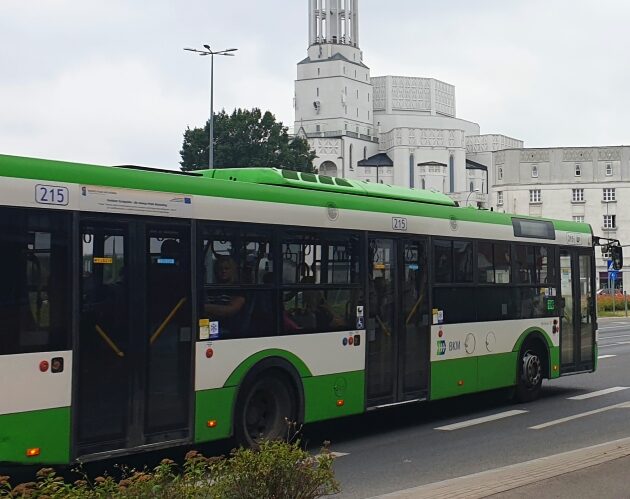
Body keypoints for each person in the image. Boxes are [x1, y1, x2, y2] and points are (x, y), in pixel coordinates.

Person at [204, 256, 246, 337]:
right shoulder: (211, 289)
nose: (223, 271)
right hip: (211, 329)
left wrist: (206, 307)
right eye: (220, 269)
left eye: (227, 268)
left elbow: (231, 309)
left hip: (231, 331)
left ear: (233, 270)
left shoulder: (238, 289)